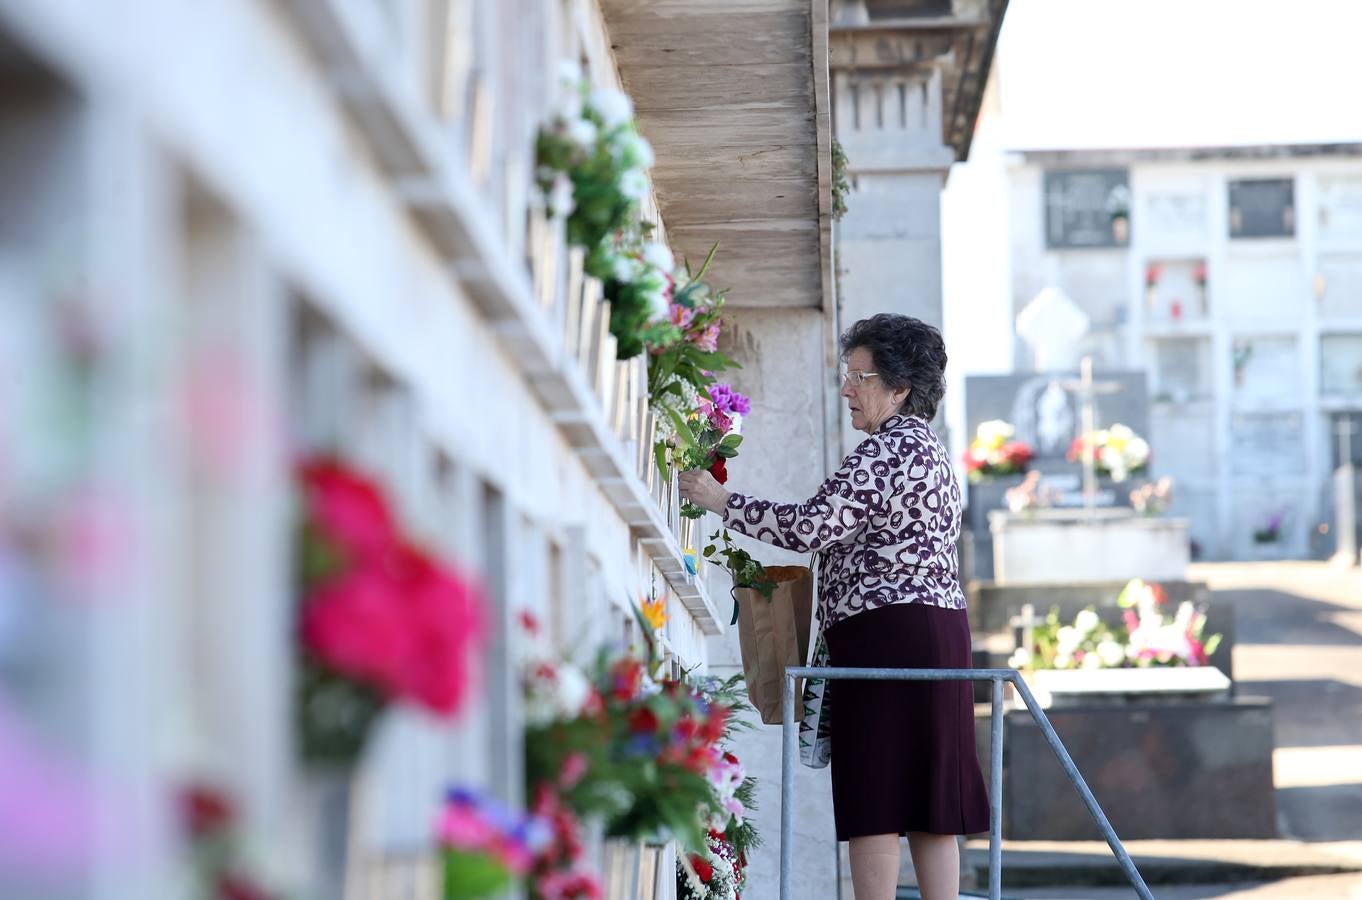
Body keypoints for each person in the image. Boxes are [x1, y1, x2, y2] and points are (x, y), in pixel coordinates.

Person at [679, 314, 988, 900]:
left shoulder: (887, 450)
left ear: (899, 389)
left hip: (888, 634)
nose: (847, 388)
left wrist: (723, 501)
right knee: (931, 796)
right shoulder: (930, 451)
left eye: (859, 376)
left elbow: (812, 527)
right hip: (937, 632)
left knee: (877, 790)